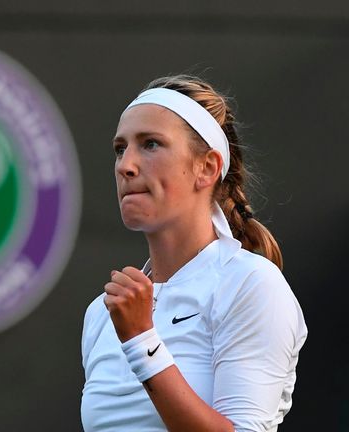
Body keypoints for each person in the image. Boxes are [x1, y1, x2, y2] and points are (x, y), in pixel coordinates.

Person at [80, 75, 307, 432]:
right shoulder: (101, 314)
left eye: (151, 144)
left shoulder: (251, 285)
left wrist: (142, 341)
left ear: (207, 168)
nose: (126, 165)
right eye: (120, 148)